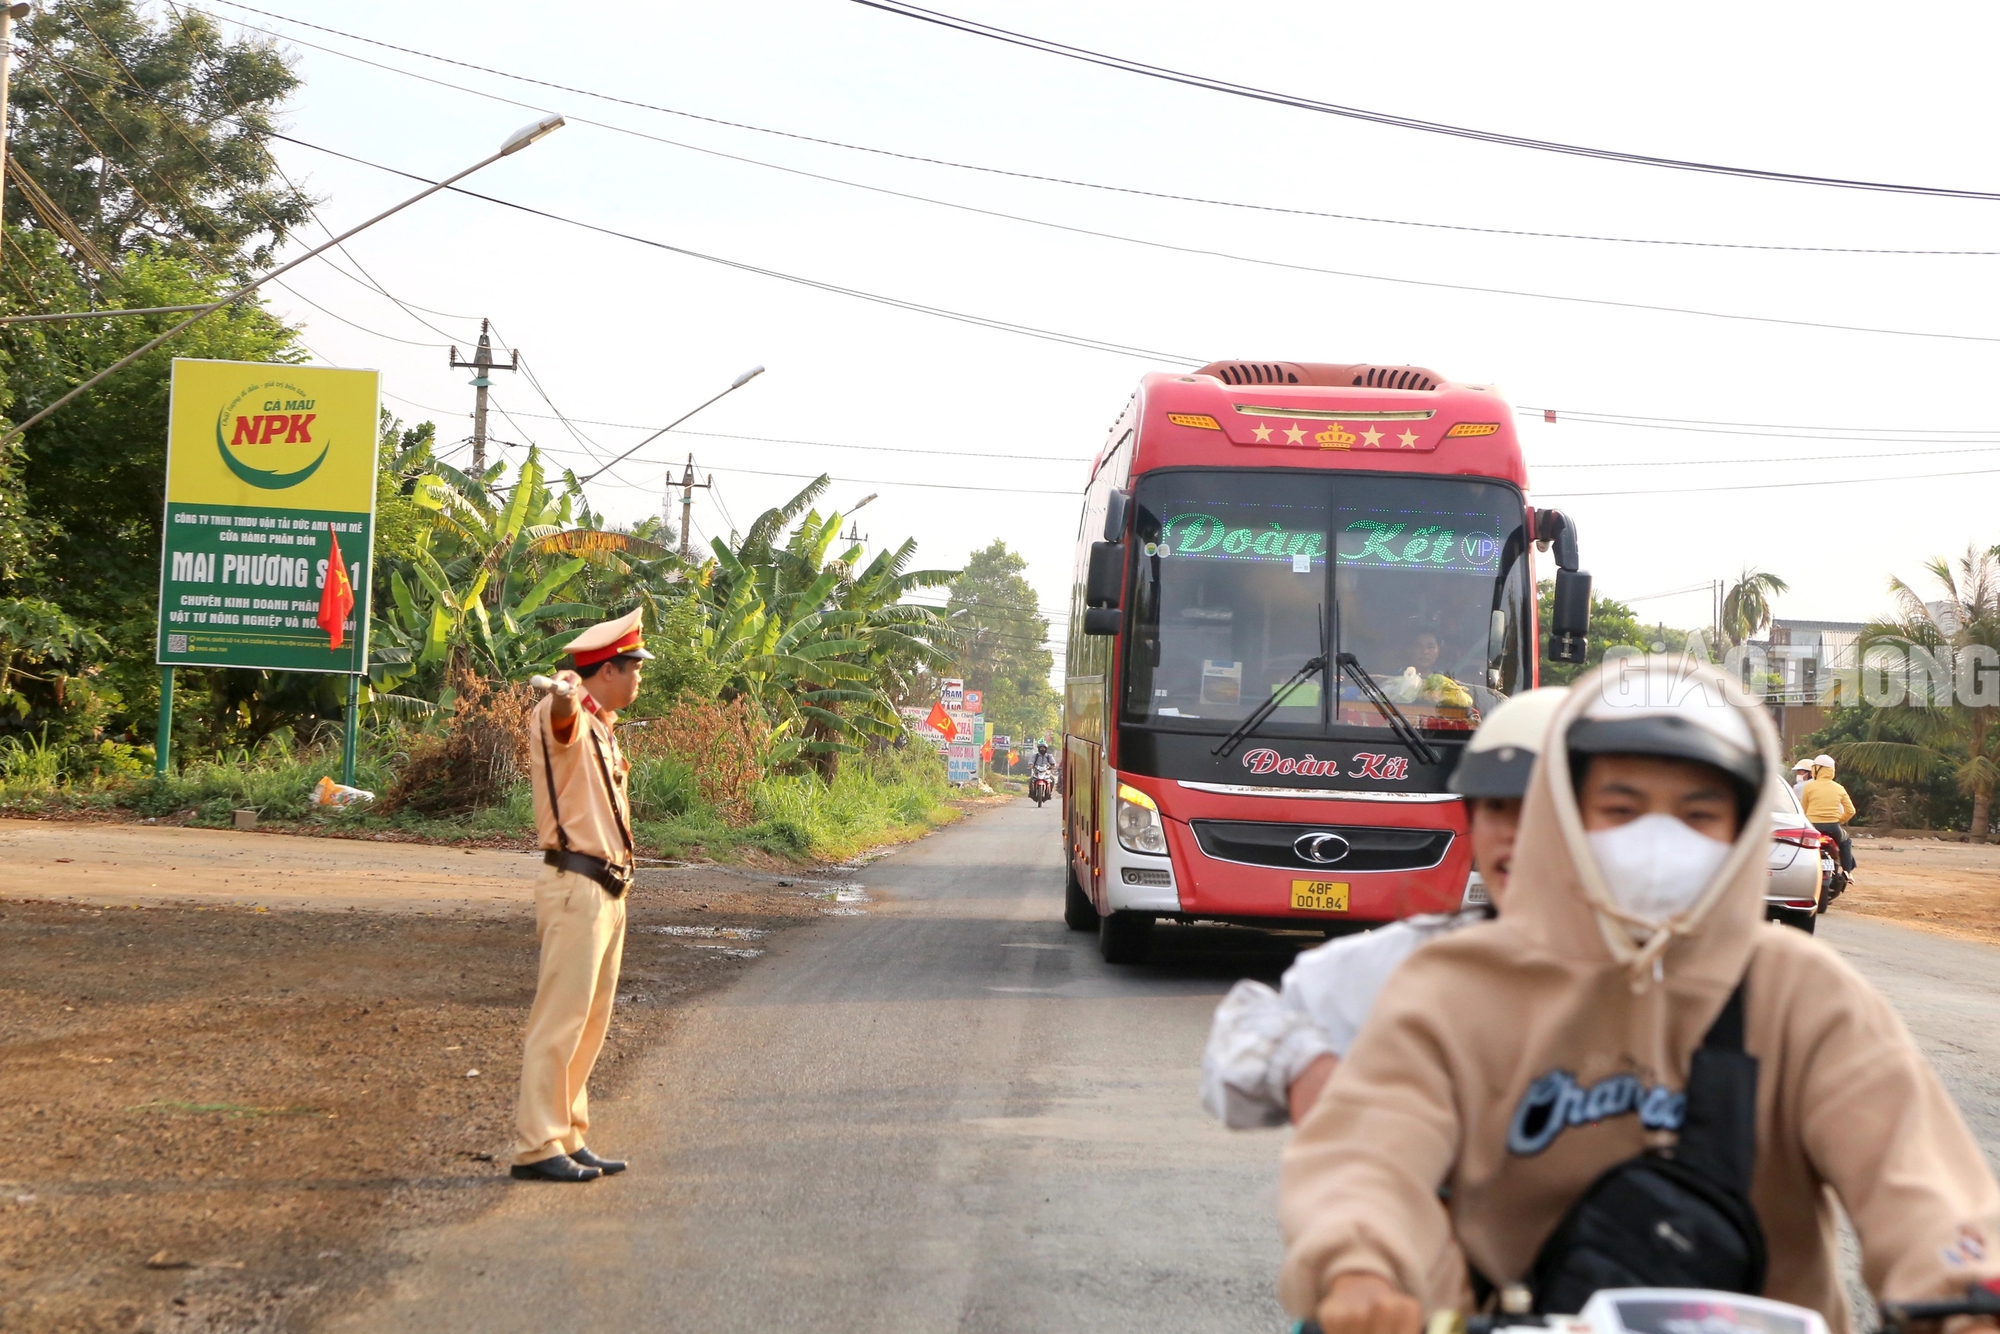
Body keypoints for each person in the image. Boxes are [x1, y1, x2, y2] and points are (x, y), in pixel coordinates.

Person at [1280, 658, 2000, 1333]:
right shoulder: (1460, 985)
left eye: (1697, 814)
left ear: (1741, 829)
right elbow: (1371, 1150)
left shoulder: (1801, 992)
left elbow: (1915, 1174)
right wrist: (1359, 1268)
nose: (1659, 838)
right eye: (1621, 810)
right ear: (1565, 817)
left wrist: (1962, 1295)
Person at [1200, 688, 1569, 1130]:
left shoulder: (1654, 977)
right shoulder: (1414, 961)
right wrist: (1301, 1065)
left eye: (1542, 810)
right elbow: (1242, 1047)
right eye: (1496, 808)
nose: (1515, 834)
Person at [511, 608, 650, 1184]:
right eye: (635, 667)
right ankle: (537, 1144)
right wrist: (567, 693)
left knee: (590, 1020)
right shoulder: (560, 713)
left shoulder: (603, 729)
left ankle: (568, 1131)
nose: (640, 678)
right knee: (560, 1019)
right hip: (574, 885)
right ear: (609, 671)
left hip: (606, 888)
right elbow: (562, 713)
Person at [1801, 753, 1857, 874]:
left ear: (1817, 769)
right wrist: (1840, 820)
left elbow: (1803, 810)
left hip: (1813, 827)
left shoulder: (1808, 787)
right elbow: (1851, 811)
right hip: (1833, 827)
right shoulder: (1839, 788)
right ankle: (1847, 872)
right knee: (1846, 841)